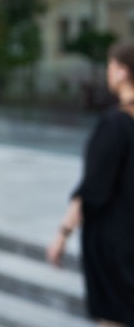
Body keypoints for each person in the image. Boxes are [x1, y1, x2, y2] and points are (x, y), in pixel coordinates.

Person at [47, 41, 134, 326]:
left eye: (110, 66)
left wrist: (62, 234)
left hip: (116, 245)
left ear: (122, 73)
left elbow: (92, 190)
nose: (108, 72)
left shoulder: (115, 124)